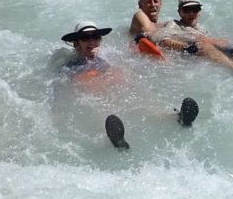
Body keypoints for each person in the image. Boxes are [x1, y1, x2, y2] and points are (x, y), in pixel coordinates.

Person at [60, 21, 199, 149]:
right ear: (76, 43)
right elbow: (61, 85)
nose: (91, 41)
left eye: (95, 37)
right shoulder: (70, 65)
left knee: (137, 96)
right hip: (91, 88)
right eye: (85, 38)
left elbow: (132, 58)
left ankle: (176, 117)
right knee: (99, 104)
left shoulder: (109, 56)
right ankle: (114, 139)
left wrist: (140, 44)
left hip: (108, 81)